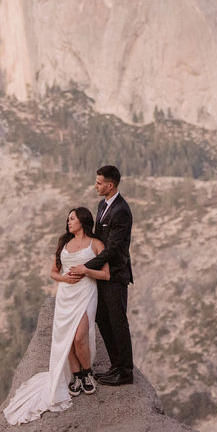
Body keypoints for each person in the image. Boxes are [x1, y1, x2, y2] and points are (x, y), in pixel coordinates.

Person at [3, 207, 110, 425]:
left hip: (86, 292)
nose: (68, 222)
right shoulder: (64, 243)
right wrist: (64, 279)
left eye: (72, 218)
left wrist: (85, 271)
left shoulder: (95, 244)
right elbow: (53, 272)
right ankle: (77, 376)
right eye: (68, 219)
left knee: (80, 336)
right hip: (66, 295)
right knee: (66, 337)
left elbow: (106, 274)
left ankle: (88, 373)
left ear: (82, 221)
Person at [69, 165, 134, 385]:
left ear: (110, 185)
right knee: (103, 319)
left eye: (99, 183)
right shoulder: (101, 205)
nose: (95, 186)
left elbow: (112, 249)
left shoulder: (121, 211)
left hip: (115, 275)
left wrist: (85, 266)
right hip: (101, 273)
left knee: (118, 322)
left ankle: (125, 372)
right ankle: (115, 366)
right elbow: (98, 240)